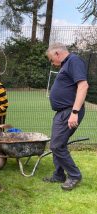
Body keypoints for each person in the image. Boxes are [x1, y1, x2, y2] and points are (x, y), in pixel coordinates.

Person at [44, 43, 89, 190]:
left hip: (69, 111)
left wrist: (74, 113)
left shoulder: (74, 61)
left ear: (57, 53)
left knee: (57, 145)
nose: (52, 63)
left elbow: (83, 86)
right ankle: (59, 175)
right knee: (57, 144)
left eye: (51, 59)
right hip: (62, 112)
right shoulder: (67, 64)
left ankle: (74, 175)